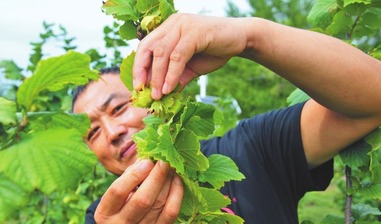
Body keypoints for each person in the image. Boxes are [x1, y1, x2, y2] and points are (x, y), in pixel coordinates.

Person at [72, 13, 381, 223]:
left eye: (118, 108)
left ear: (156, 94)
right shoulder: (102, 216)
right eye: (93, 133)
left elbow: (374, 96)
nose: (112, 131)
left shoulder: (251, 150)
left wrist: (250, 37)